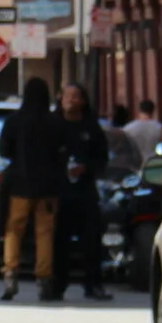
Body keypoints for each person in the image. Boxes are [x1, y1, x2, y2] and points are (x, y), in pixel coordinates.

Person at [0, 76, 65, 302]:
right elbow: (62, 153)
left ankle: (10, 272)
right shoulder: (55, 122)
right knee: (44, 232)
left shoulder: (14, 121)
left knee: (14, 230)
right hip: (48, 187)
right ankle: (44, 278)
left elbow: (4, 151)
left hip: (19, 185)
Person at [57, 83, 113, 302]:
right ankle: (57, 284)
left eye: (76, 97)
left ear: (83, 101)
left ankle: (93, 284)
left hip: (85, 191)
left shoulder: (91, 128)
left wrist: (86, 168)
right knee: (58, 240)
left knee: (91, 239)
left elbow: (102, 158)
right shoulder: (54, 126)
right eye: (67, 96)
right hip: (59, 191)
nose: (71, 100)